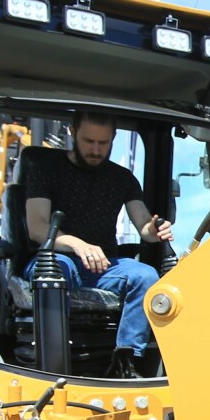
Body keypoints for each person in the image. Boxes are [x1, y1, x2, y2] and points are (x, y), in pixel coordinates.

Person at [23, 112, 175, 378]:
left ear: (113, 139)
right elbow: (37, 228)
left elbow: (143, 225)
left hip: (103, 267)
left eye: (103, 143)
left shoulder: (122, 178)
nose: (95, 150)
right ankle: (55, 363)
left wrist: (154, 229)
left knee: (146, 275)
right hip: (56, 259)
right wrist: (77, 244)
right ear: (72, 133)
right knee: (55, 272)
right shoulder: (46, 169)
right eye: (88, 141)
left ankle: (127, 361)